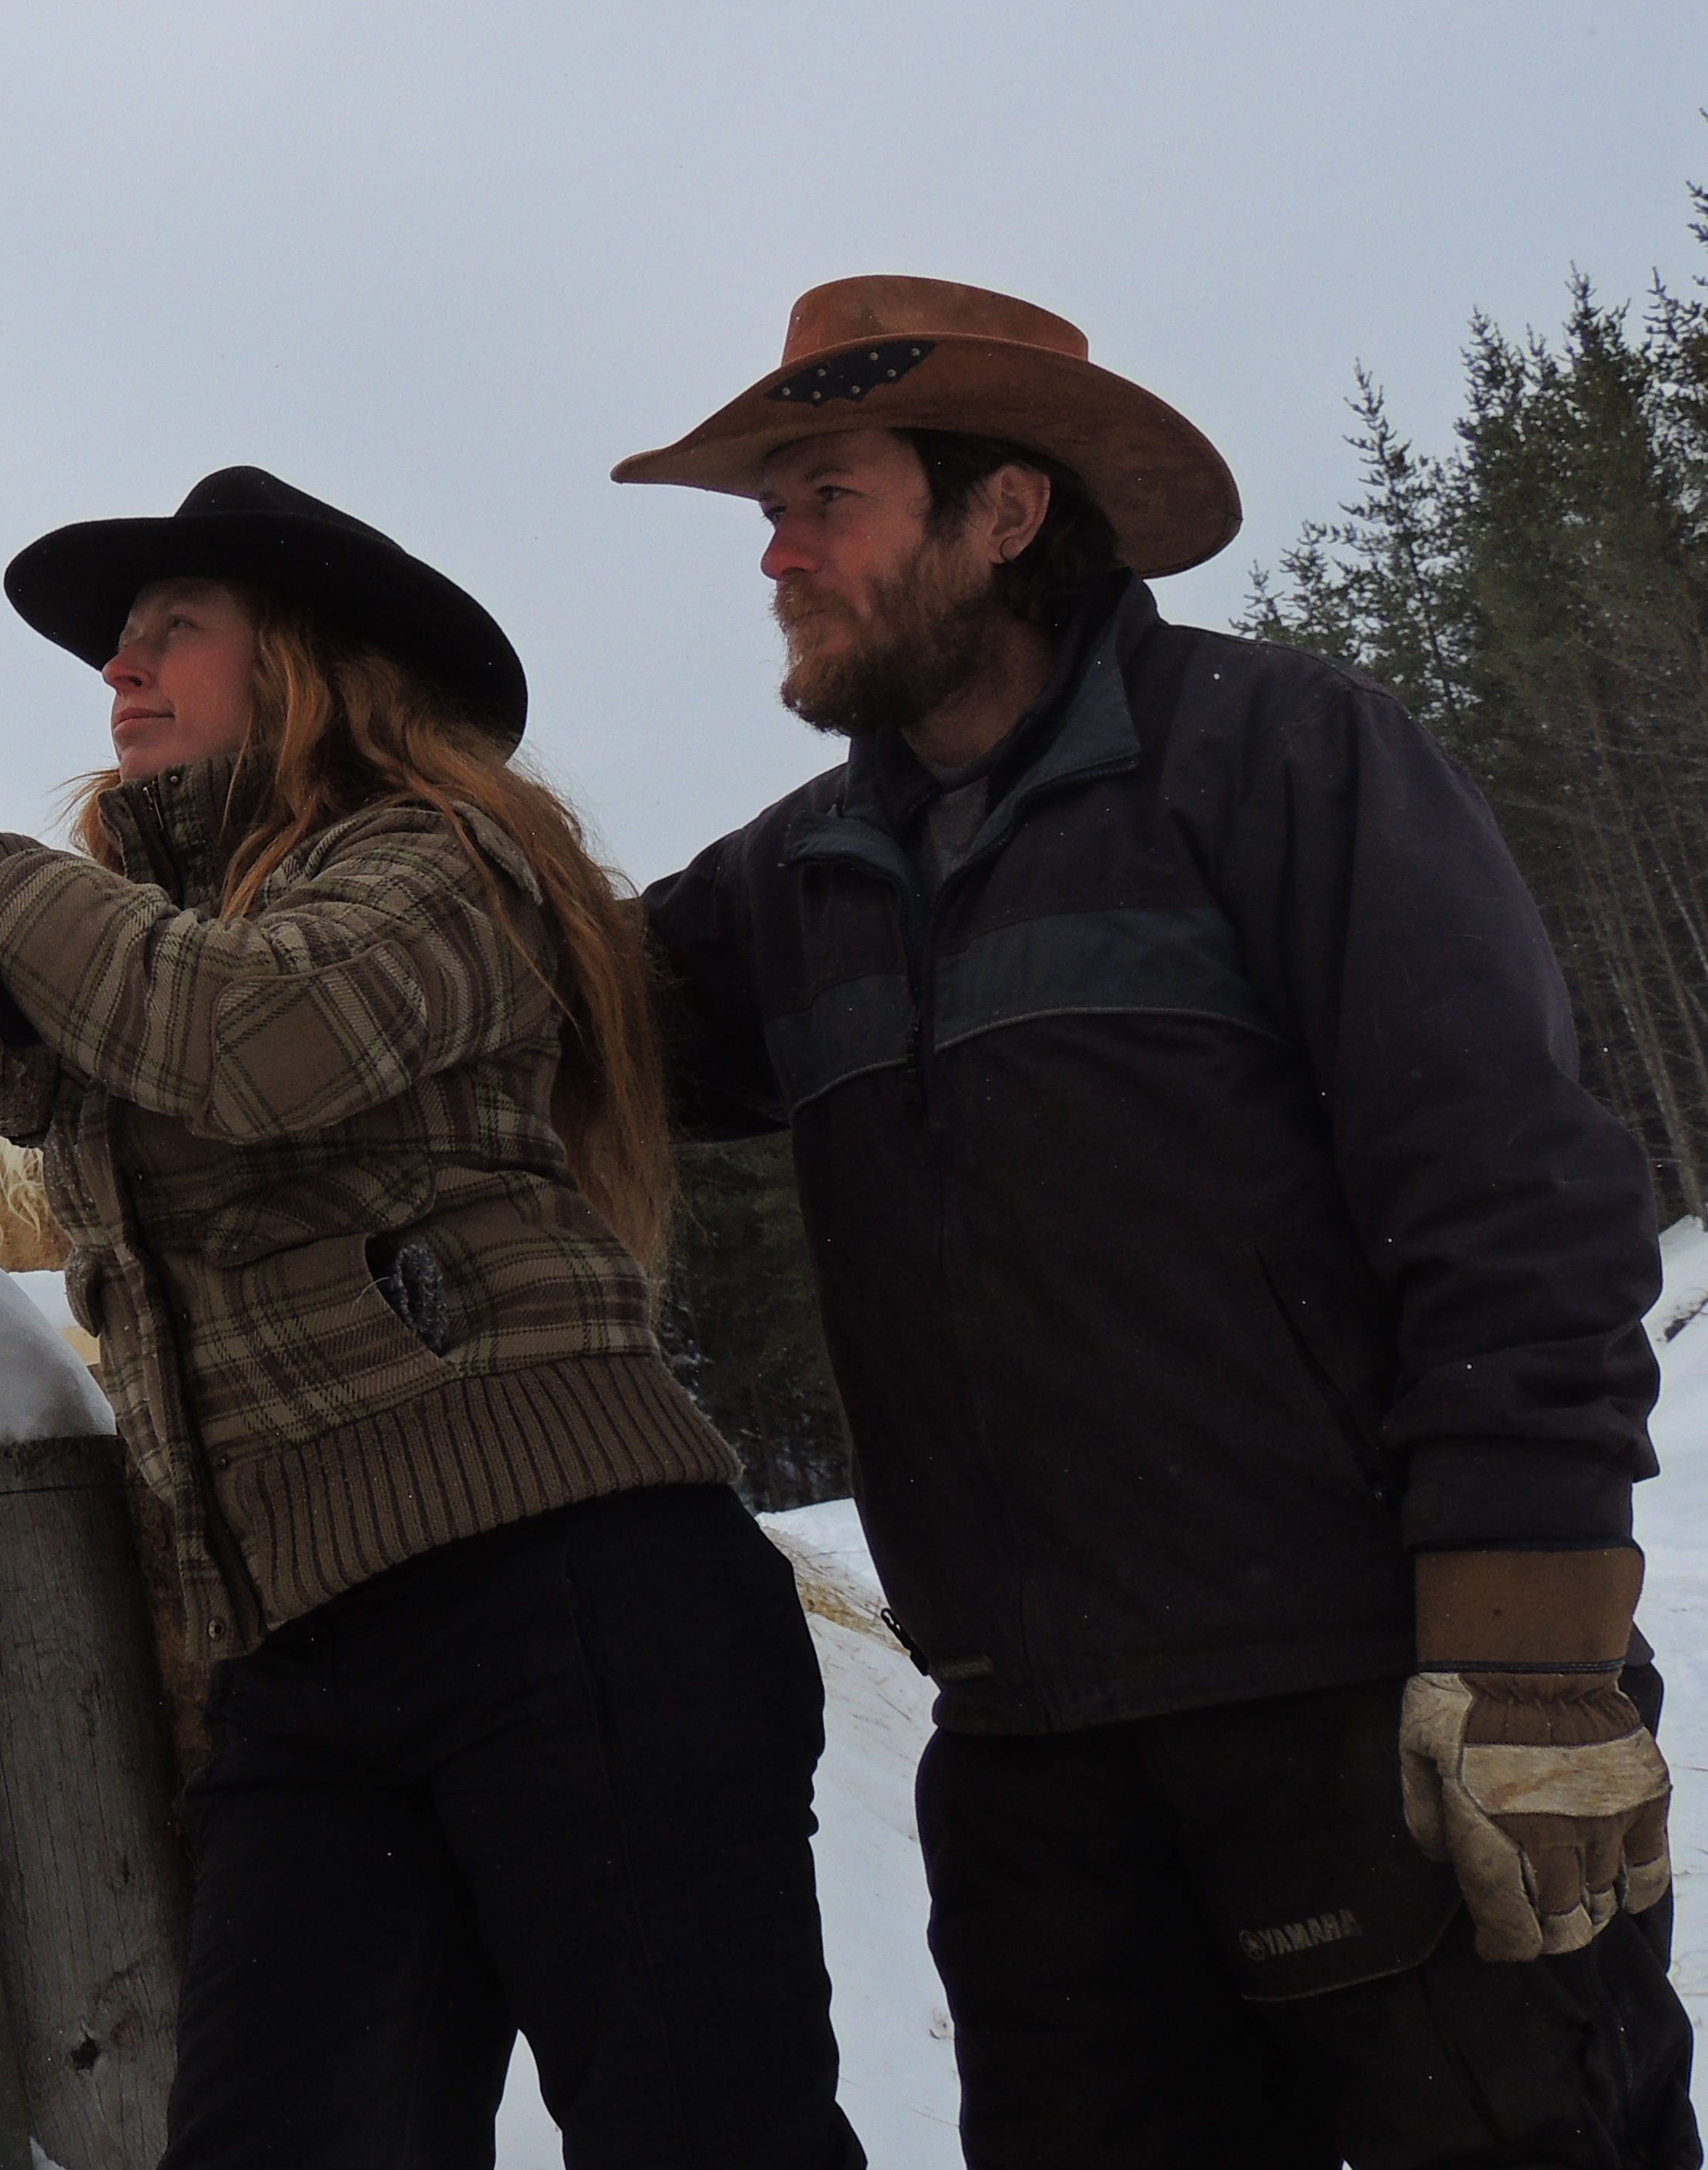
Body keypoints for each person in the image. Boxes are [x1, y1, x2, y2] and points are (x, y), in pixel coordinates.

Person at [620, 275, 1694, 2168]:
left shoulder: (1280, 757)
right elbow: (505, 1017)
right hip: (1035, 1781)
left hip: (1369, 1714)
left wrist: (1534, 1648)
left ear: (1004, 511)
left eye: (825, 500)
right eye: (768, 515)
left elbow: (1512, 1192)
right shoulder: (792, 884)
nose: (774, 556)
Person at [0, 467, 862, 2170]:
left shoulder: (443, 860)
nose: (118, 677)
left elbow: (258, 1049)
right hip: (303, 1659)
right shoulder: (152, 941)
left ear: (300, 665)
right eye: (118, 650)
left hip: (572, 1595)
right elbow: (170, 1013)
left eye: (172, 637)